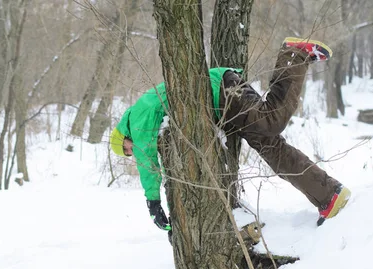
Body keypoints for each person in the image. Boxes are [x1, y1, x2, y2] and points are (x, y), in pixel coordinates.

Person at [110, 37, 351, 230]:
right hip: (223, 104)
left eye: (127, 149)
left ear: (124, 137)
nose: (132, 152)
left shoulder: (136, 117)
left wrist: (153, 202)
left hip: (221, 90)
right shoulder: (142, 116)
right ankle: (329, 195)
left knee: (272, 122)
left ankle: (294, 54)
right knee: (272, 148)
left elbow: (146, 157)